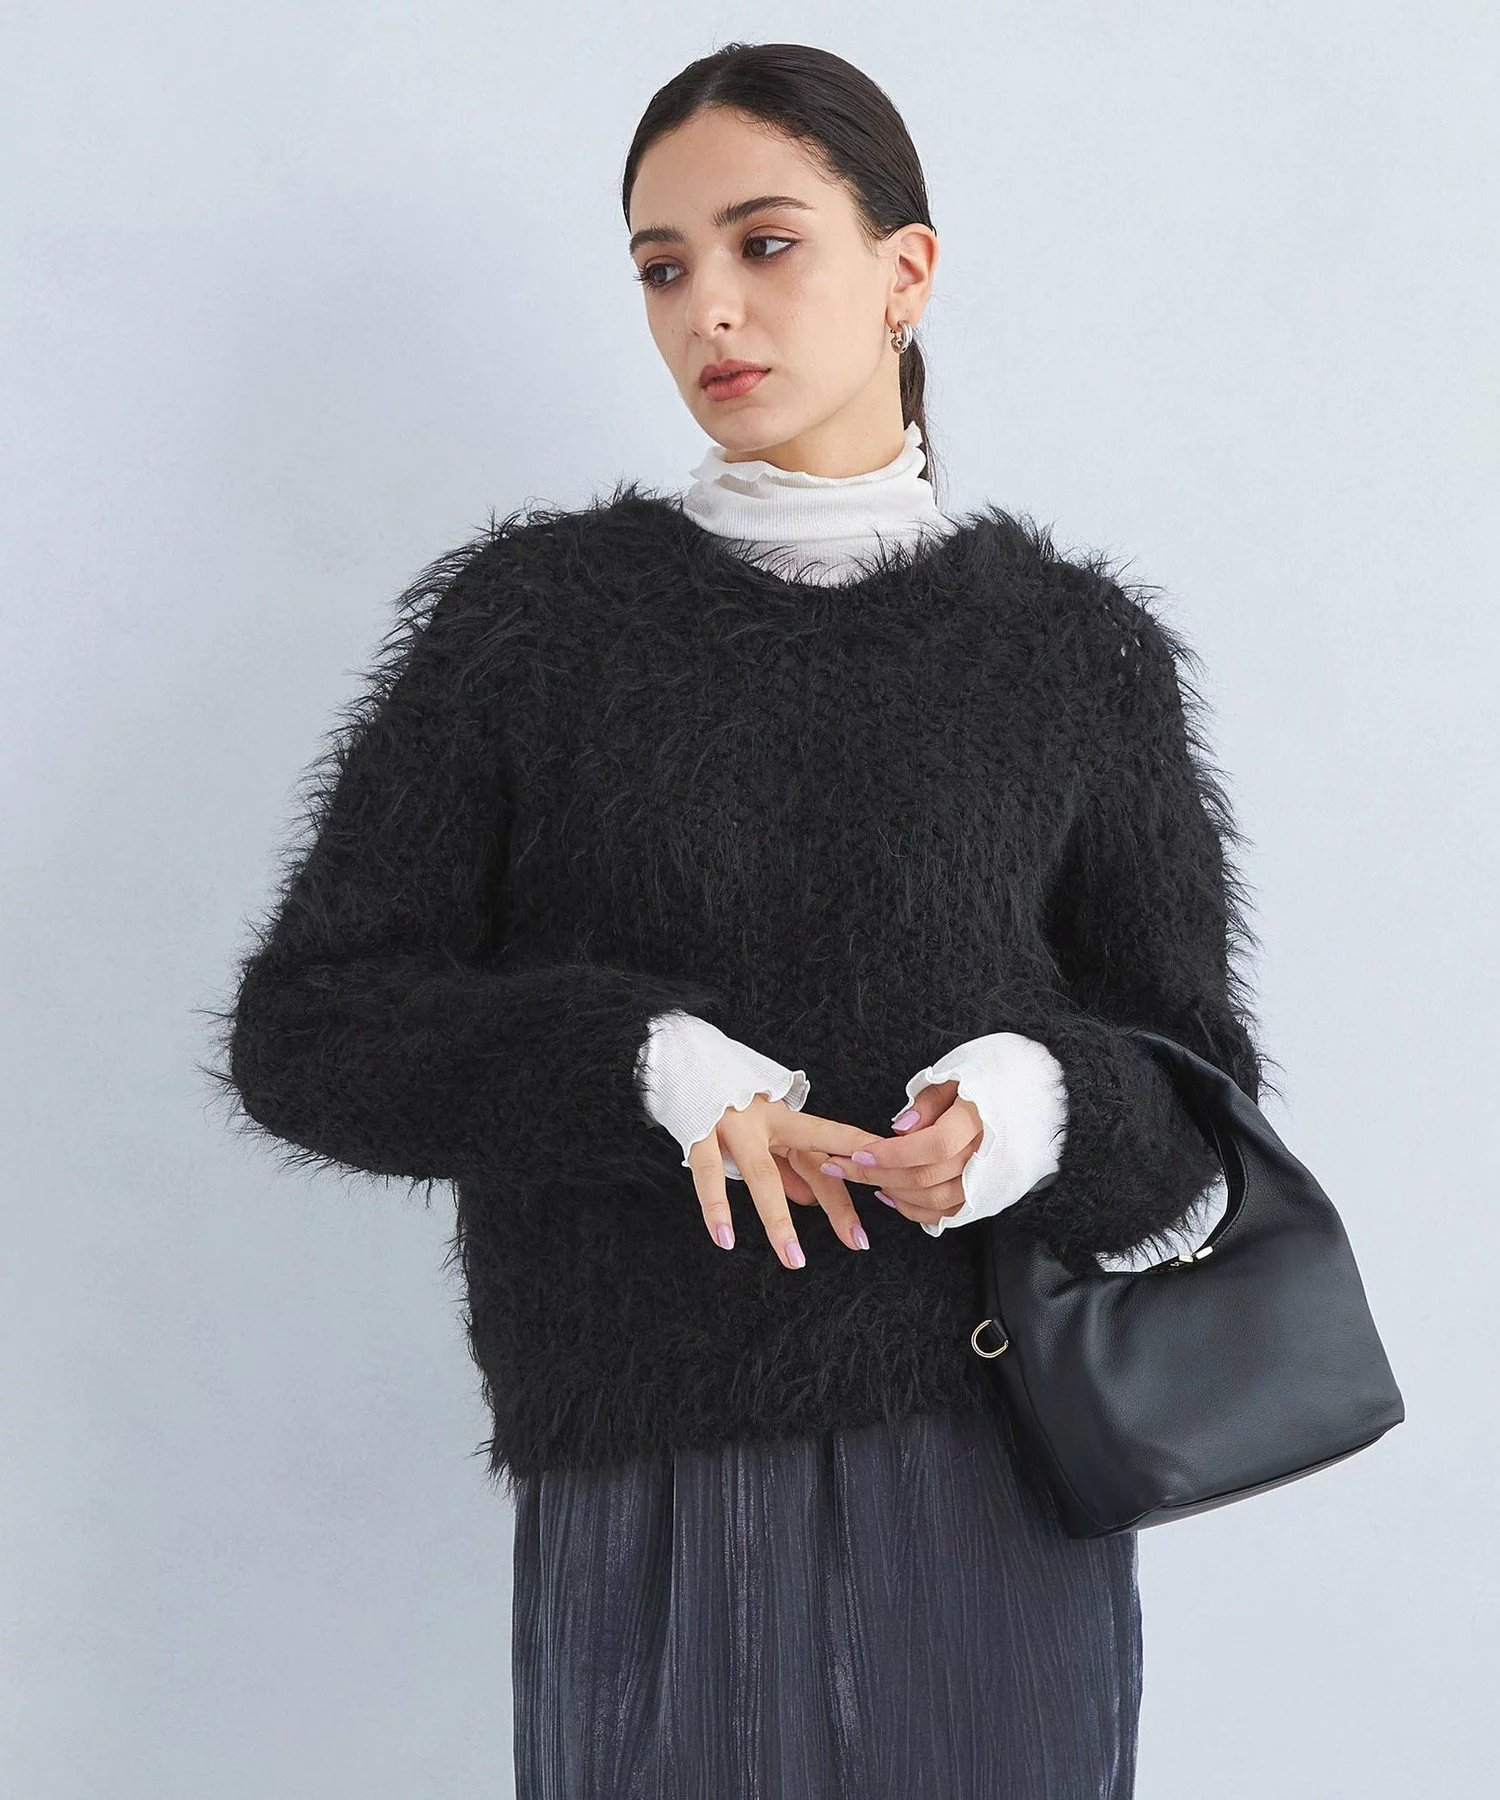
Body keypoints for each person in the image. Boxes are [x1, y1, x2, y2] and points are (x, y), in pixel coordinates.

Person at [214, 42, 1272, 1800]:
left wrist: (1032, 1108)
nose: (709, 307)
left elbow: (1193, 1113)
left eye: (764, 243)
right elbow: (311, 1032)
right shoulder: (534, 629)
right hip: (648, 1485)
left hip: (992, 1479)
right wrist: (644, 1070)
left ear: (906, 271)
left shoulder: (1073, 654)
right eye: (662, 265)